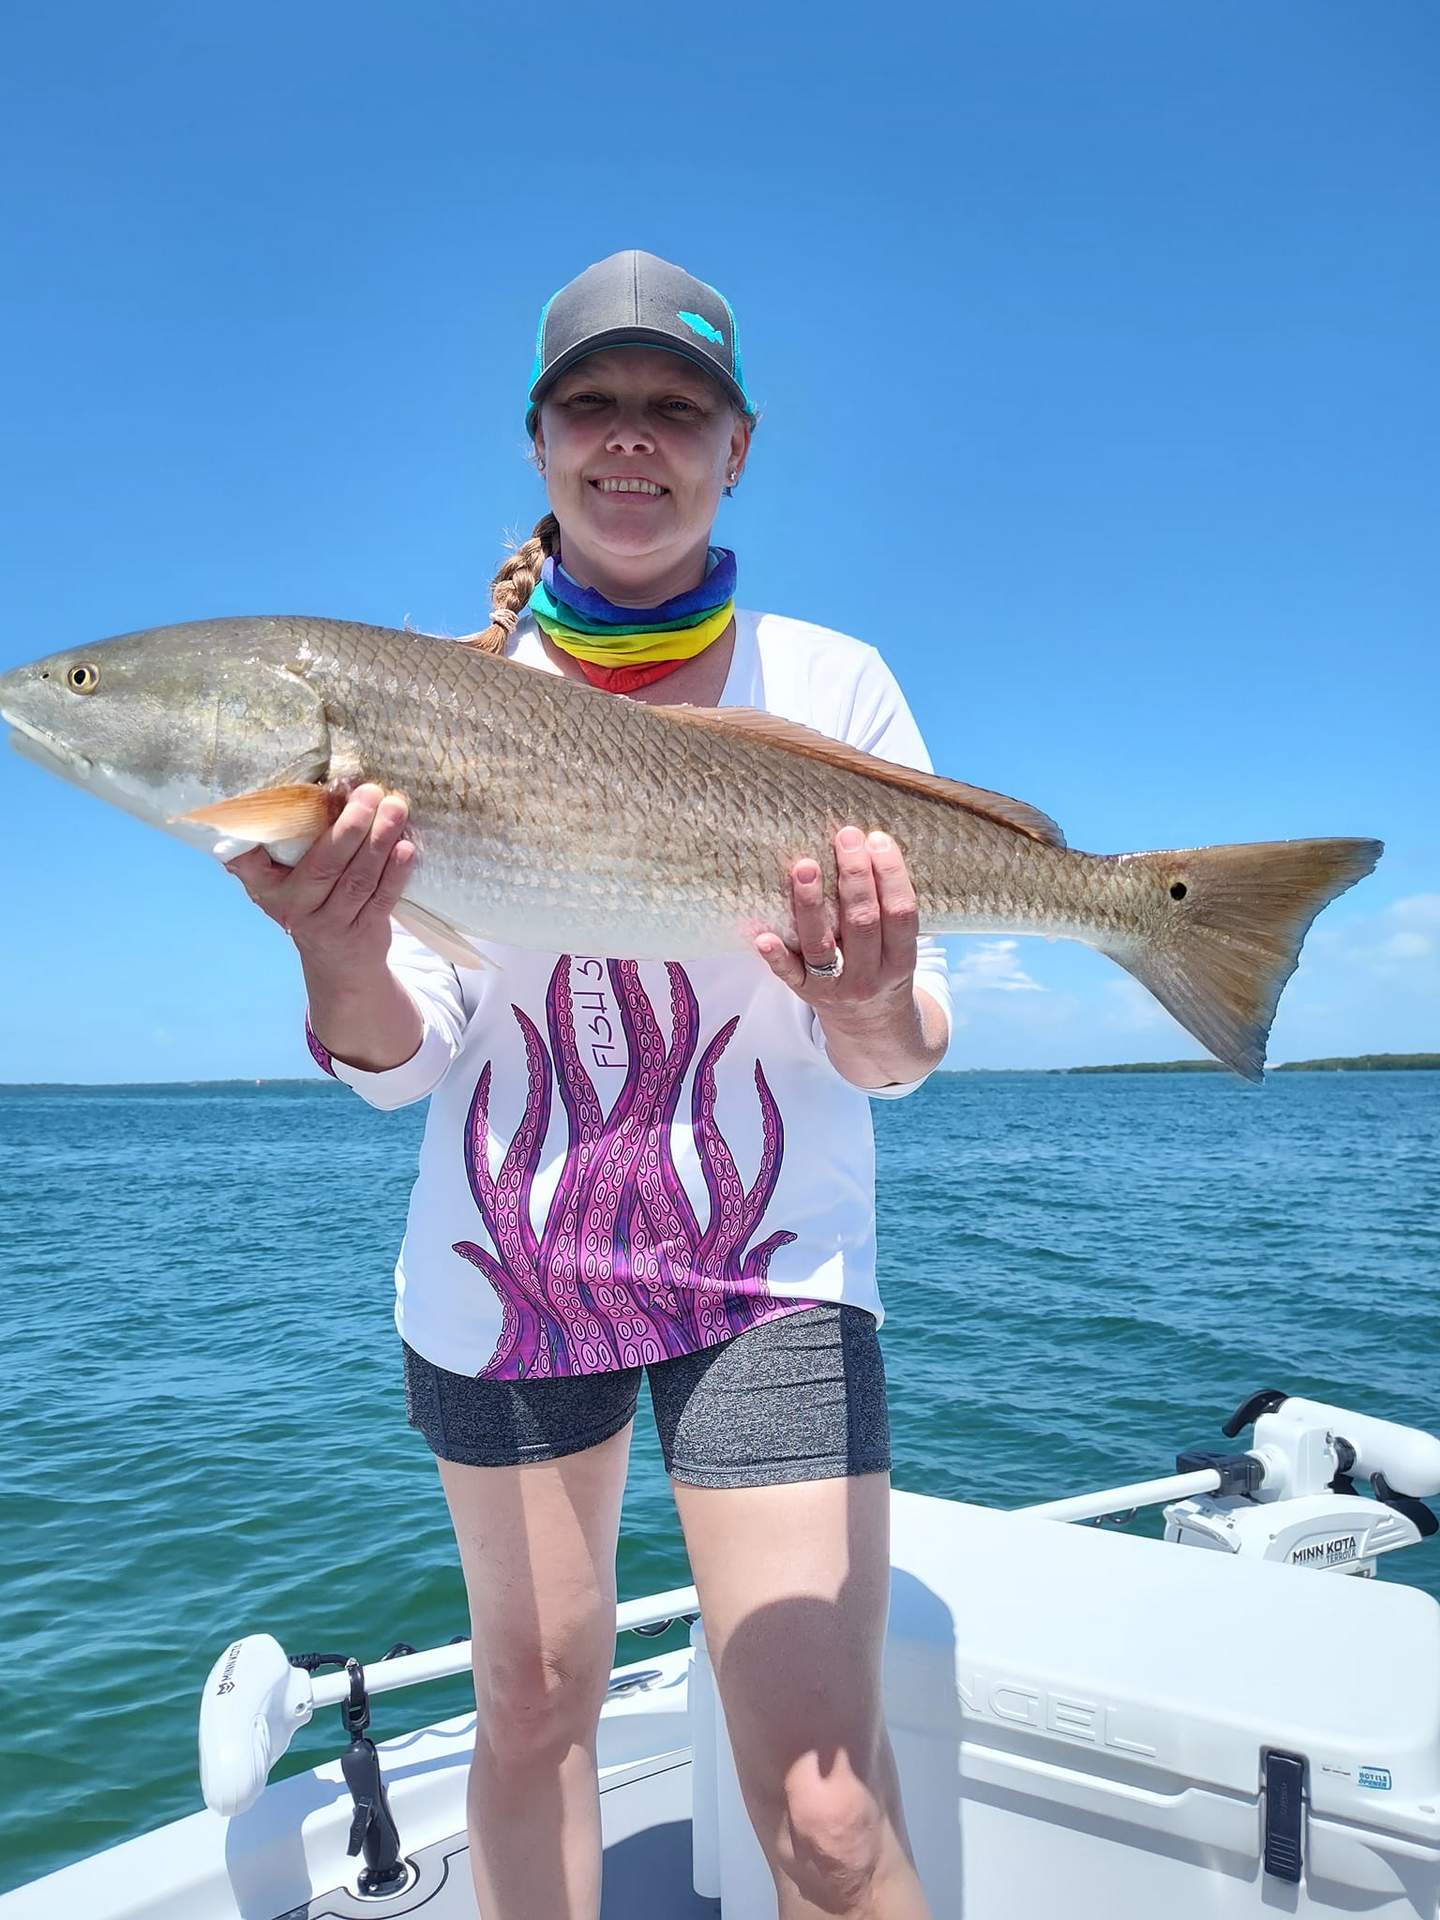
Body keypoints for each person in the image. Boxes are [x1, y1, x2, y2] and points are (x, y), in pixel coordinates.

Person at [228, 249, 950, 1920]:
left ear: (738, 445)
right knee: (533, 1708)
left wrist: (881, 997)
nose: (635, 440)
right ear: (539, 443)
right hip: (503, 1273)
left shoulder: (833, 688)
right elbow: (404, 1063)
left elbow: (898, 1067)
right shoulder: (422, 698)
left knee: (829, 1813)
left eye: (674, 408)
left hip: (767, 1274)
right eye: (594, 406)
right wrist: (334, 950)